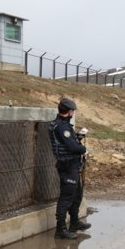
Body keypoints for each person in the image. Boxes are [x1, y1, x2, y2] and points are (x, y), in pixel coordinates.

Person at [49, 97, 91, 239]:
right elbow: (71, 146)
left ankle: (74, 222)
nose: (74, 113)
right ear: (69, 112)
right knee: (66, 197)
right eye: (73, 111)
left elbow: (69, 142)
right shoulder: (62, 127)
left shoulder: (64, 125)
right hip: (67, 166)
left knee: (77, 194)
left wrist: (78, 136)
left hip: (72, 165)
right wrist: (83, 149)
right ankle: (60, 230)